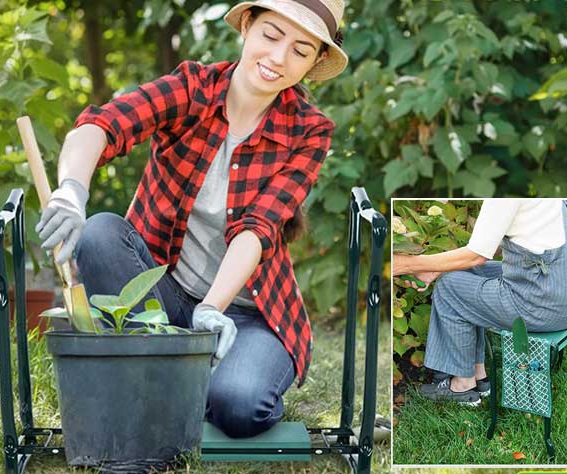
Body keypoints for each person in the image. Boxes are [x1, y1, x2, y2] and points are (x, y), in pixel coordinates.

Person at [35, 0, 349, 438]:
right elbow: (101, 126)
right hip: (161, 294)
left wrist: (211, 309)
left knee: (239, 406)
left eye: (300, 50)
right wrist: (71, 191)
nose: (278, 58)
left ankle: (168, 383)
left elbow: (257, 228)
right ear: (247, 26)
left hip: (243, 312)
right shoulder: (192, 88)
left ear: (316, 61)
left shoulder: (309, 130)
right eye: (271, 36)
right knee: (100, 233)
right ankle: (172, 376)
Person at [392, 199, 567, 406]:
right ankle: (479, 375)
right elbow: (483, 251)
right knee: (464, 273)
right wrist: (434, 269)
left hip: (545, 305)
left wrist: (406, 264)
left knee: (449, 287)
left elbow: (476, 255)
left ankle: (462, 386)